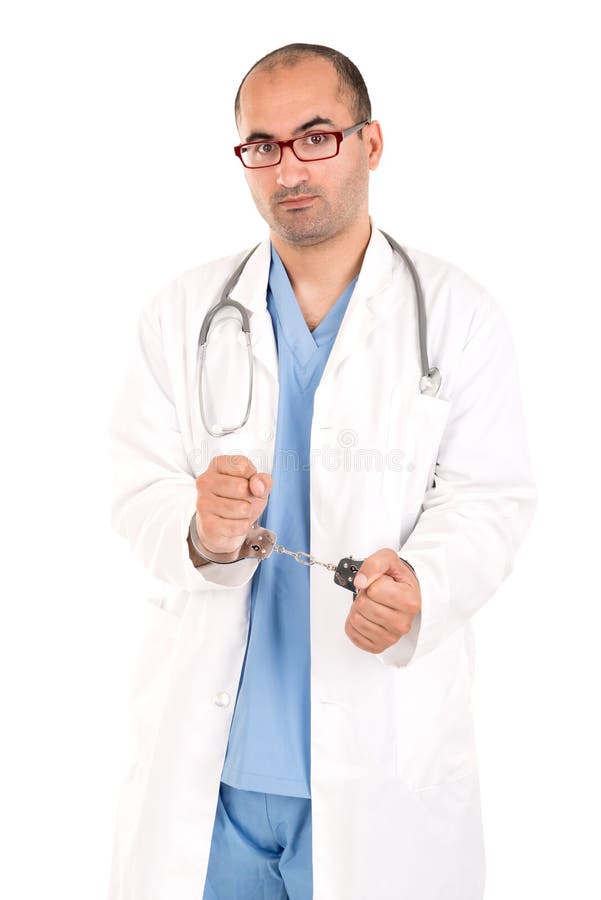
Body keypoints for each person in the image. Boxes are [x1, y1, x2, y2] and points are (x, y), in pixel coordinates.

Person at [106, 43, 537, 900]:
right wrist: (198, 528)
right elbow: (134, 482)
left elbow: (491, 499)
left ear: (369, 144)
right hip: (213, 775)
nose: (286, 169)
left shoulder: (456, 317)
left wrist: (421, 581)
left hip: (378, 764)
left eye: (315, 137)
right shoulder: (182, 313)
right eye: (261, 145)